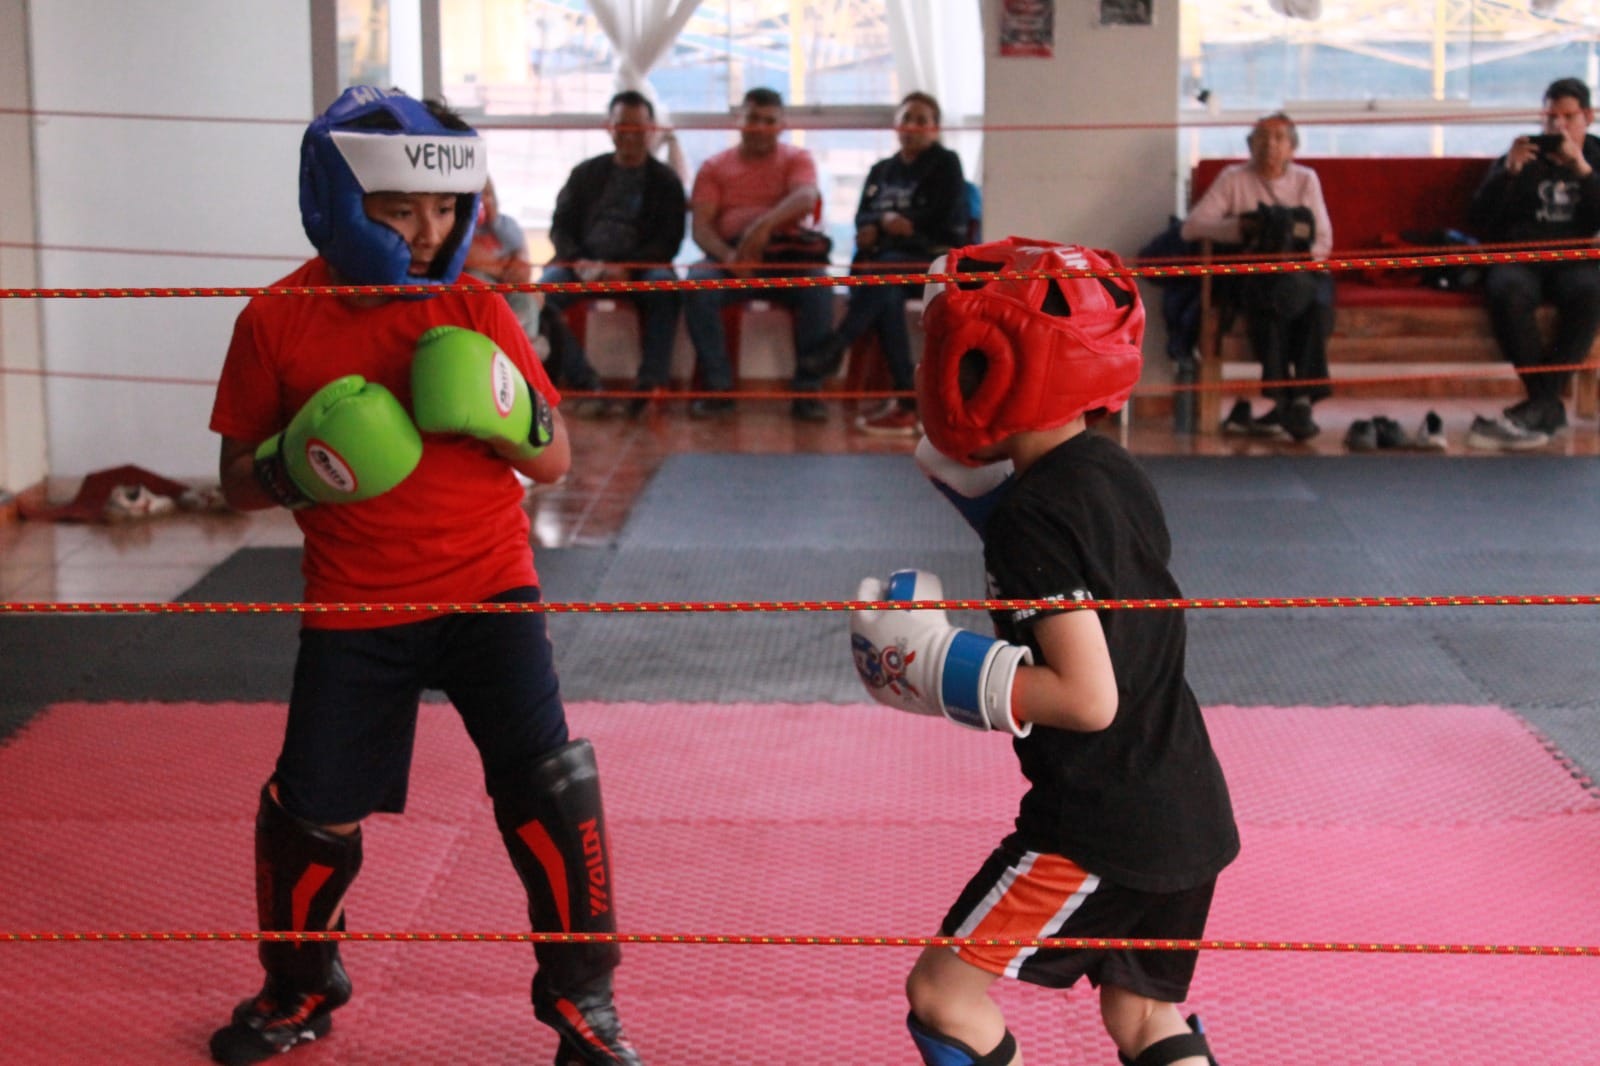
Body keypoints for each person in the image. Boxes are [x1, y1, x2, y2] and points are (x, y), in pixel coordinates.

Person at [205, 86, 643, 1066]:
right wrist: (292, 461)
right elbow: (233, 481)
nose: (427, 229)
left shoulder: (476, 304)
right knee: (311, 807)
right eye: (401, 208)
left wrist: (505, 415)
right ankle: (299, 989)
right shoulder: (277, 320)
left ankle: (585, 1005)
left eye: (444, 208)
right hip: (356, 604)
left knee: (549, 785)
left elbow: (557, 457)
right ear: (340, 201)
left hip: (491, 587)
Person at [848, 237, 1237, 1066]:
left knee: (943, 998)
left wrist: (935, 669)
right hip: (1188, 803)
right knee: (1141, 1016)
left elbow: (1086, 695)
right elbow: (1091, 576)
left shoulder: (1032, 519)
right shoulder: (1111, 471)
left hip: (1099, 826)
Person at [801, 91, 969, 437]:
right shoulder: (882, 170)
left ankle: (838, 344)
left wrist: (908, 226)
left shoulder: (946, 163)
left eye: (921, 120)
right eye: (906, 118)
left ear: (934, 128)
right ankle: (909, 400)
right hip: (885, 266)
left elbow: (950, 218)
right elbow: (864, 212)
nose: (912, 127)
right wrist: (870, 228)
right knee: (885, 292)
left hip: (929, 262)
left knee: (884, 277)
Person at [683, 87, 836, 421]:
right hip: (729, 259)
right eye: (754, 118)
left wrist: (761, 228)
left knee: (820, 286)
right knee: (697, 283)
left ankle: (807, 392)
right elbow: (701, 228)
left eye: (769, 121)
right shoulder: (713, 166)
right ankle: (719, 388)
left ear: (781, 126)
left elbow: (806, 197)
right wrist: (730, 257)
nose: (761, 127)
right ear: (741, 120)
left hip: (784, 257)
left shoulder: (797, 158)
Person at [1464, 76, 1600, 451]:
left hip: (1577, 259)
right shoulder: (1523, 155)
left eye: (1568, 117)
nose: (1557, 127)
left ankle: (1540, 404)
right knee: (1506, 290)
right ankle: (1547, 405)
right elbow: (1479, 217)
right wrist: (1508, 173)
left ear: (1587, 117)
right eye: (1551, 117)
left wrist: (1583, 170)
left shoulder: (1597, 155)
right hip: (1522, 256)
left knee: (1591, 292)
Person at [1182, 111, 1334, 442]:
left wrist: (1298, 261)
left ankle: (1292, 400)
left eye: (1279, 138)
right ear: (1250, 145)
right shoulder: (1233, 178)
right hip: (1254, 272)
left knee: (1314, 303)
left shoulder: (1306, 179)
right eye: (1263, 138)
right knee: (1269, 296)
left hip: (1301, 272)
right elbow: (1193, 227)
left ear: (1292, 147)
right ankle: (1298, 403)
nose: (1270, 146)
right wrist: (1241, 228)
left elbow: (1322, 240)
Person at [540, 90, 688, 419]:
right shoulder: (585, 174)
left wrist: (629, 267)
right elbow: (559, 227)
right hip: (581, 264)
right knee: (540, 297)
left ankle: (649, 386)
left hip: (641, 267)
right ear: (610, 128)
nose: (629, 135)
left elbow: (670, 241)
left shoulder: (666, 182)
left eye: (637, 128)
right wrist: (578, 260)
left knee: (665, 289)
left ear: (651, 130)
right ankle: (586, 383)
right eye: (622, 126)